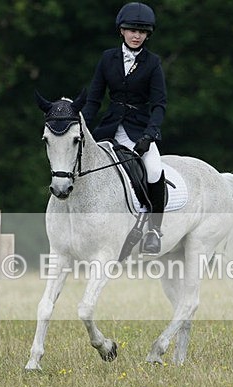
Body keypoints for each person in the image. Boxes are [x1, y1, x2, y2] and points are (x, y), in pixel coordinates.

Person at [81, 2, 167, 254]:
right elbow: (94, 100)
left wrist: (151, 134)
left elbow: (159, 104)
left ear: (147, 34)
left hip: (140, 130)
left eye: (142, 31)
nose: (136, 35)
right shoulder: (108, 58)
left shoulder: (153, 62)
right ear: (122, 31)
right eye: (131, 30)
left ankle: (153, 230)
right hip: (109, 129)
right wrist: (82, 128)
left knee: (153, 170)